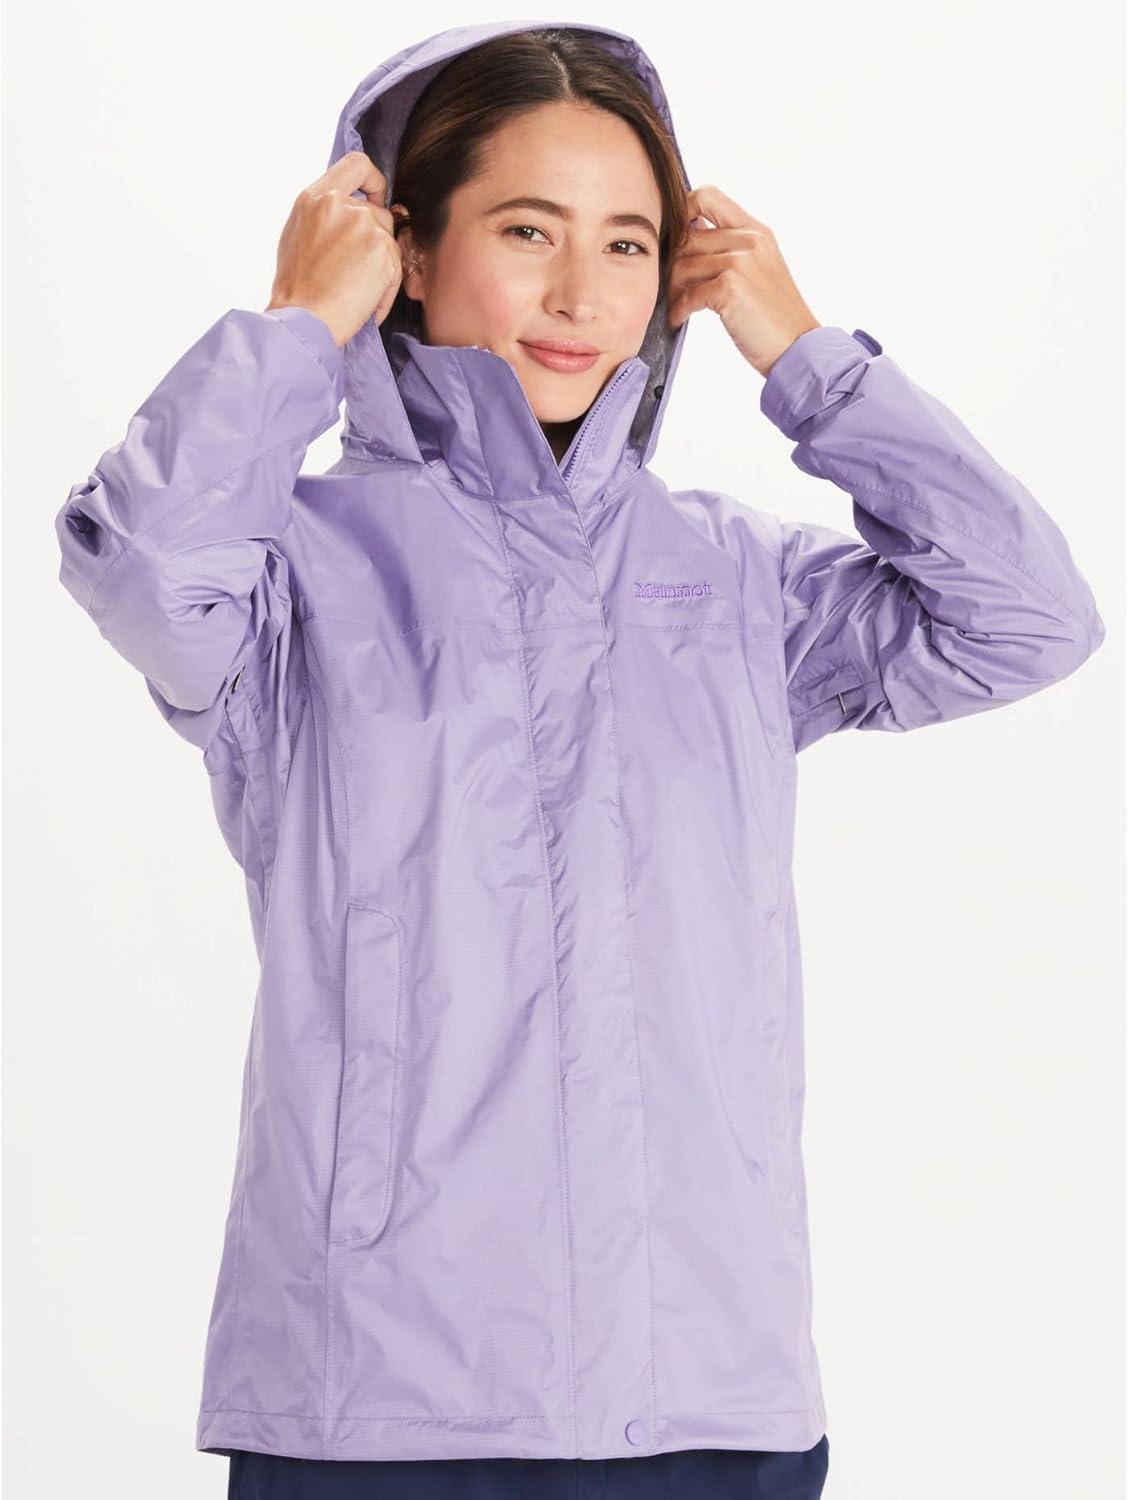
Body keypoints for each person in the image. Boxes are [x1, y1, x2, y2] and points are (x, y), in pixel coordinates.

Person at [54, 19, 1102, 1500]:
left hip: (709, 1395)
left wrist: (811, 363)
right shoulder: (291, 576)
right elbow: (140, 566)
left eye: (628, 244)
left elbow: (1029, 620)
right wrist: (297, 327)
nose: (581, 294)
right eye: (527, 230)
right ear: (409, 251)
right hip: (382, 1404)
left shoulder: (736, 584)